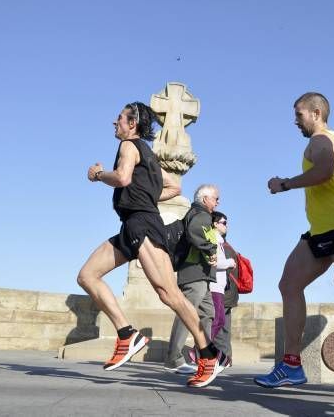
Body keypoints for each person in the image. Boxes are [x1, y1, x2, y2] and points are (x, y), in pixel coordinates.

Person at [77, 102, 222, 388]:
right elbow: (174, 188)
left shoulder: (129, 146)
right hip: (131, 227)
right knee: (87, 276)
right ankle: (126, 333)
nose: (115, 122)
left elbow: (122, 177)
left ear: (132, 124)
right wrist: (144, 197)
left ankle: (208, 354)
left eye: (119, 118)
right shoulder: (150, 155)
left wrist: (97, 175)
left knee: (169, 294)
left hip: (143, 226)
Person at [254, 92, 334, 388]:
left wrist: (285, 184)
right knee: (288, 284)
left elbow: (325, 171)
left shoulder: (319, 141)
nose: (296, 121)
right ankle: (291, 365)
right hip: (320, 230)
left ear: (316, 113)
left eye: (299, 114)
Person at [163, 184, 219, 375]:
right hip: (194, 274)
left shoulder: (200, 213)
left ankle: (206, 356)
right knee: (186, 313)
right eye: (216, 198)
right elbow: (195, 231)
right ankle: (174, 359)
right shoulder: (201, 214)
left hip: (201, 275)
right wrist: (210, 249)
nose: (218, 202)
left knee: (207, 314)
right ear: (205, 199)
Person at [210, 210, 235, 357]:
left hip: (219, 287)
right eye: (223, 223)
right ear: (215, 224)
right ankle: (200, 349)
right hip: (214, 286)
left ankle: (202, 349)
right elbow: (213, 262)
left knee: (219, 321)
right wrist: (229, 263)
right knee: (218, 320)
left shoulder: (220, 241)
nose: (226, 225)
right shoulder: (213, 239)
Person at [220, 216, 241, 369]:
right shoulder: (231, 248)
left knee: (219, 328)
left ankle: (224, 358)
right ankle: (227, 358)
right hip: (231, 295)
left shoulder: (224, 250)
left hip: (224, 294)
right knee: (225, 328)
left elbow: (224, 273)